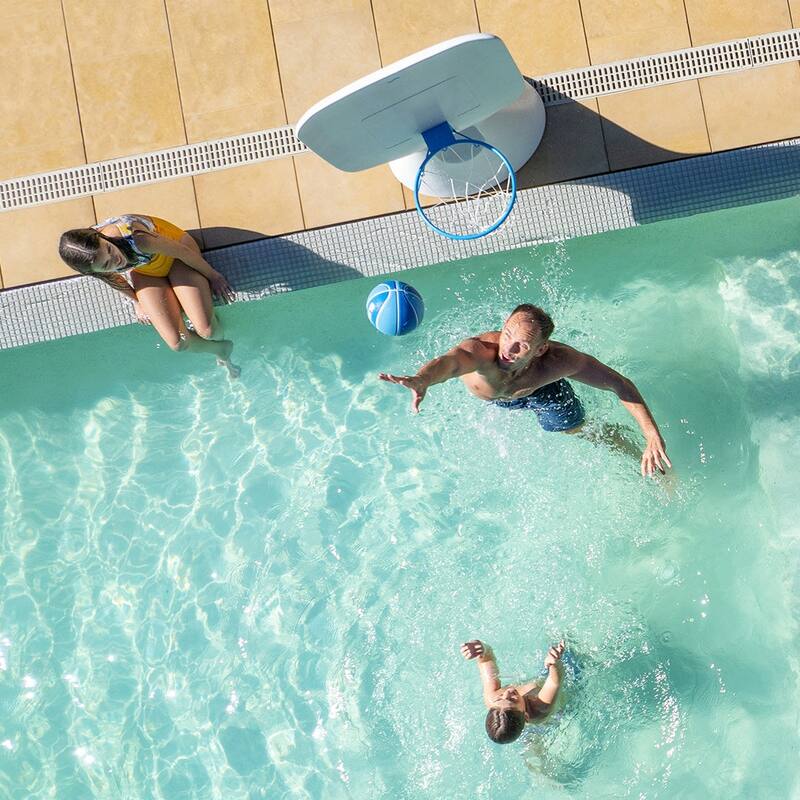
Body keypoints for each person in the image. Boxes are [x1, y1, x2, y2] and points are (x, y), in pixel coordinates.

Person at [379, 303, 671, 477]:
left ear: (541, 349)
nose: (509, 348)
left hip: (544, 394)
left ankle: (640, 457)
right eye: (507, 335)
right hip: (500, 399)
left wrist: (651, 434)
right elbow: (449, 363)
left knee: (578, 430)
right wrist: (422, 379)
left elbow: (618, 383)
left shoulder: (558, 362)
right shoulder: (480, 353)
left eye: (523, 346)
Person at [58, 214, 239, 377]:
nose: (116, 259)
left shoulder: (136, 238)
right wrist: (137, 301)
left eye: (110, 250)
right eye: (106, 265)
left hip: (178, 257)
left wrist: (214, 276)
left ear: (101, 238)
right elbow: (114, 280)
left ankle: (219, 338)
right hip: (147, 271)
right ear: (95, 272)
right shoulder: (96, 264)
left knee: (208, 331)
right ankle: (221, 349)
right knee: (178, 343)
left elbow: (183, 253)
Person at [461, 639, 566, 744]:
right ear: (526, 715)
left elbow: (487, 660)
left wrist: (482, 650)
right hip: (563, 700)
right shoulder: (540, 708)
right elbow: (555, 682)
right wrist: (554, 664)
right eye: (512, 700)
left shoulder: (492, 699)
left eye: (500, 698)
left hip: (538, 683)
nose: (508, 692)